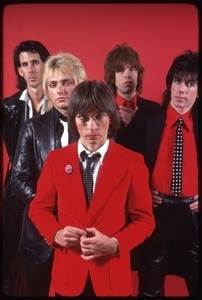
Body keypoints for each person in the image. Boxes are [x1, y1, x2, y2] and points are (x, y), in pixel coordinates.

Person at [28, 79, 155, 297]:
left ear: (111, 117)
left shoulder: (133, 162)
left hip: (112, 279)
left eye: (99, 116)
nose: (91, 127)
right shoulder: (56, 160)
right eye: (83, 118)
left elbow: (145, 220)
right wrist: (55, 233)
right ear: (73, 119)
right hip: (68, 278)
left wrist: (115, 244)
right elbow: (38, 208)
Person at [10, 52, 87, 296]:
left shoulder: (98, 125)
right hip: (38, 234)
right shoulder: (33, 128)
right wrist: (48, 208)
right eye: (53, 85)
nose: (60, 90)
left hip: (82, 234)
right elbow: (18, 179)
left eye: (67, 82)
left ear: (80, 83)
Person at [129, 50, 199, 297]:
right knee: (150, 282)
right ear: (170, 83)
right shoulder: (148, 118)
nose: (181, 89)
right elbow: (126, 163)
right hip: (157, 212)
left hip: (193, 215)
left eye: (190, 83)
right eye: (177, 81)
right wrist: (142, 193)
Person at [0, 40, 50, 291]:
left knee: (45, 255)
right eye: (24, 65)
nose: (30, 70)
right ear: (19, 71)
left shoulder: (61, 101)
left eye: (35, 63)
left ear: (45, 64)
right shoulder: (9, 106)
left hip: (51, 185)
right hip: (17, 187)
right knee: (12, 250)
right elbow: (13, 151)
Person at [103, 43, 160, 148]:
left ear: (138, 73)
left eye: (132, 69)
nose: (127, 75)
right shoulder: (103, 110)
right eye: (121, 70)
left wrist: (138, 121)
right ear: (112, 76)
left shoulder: (155, 110)